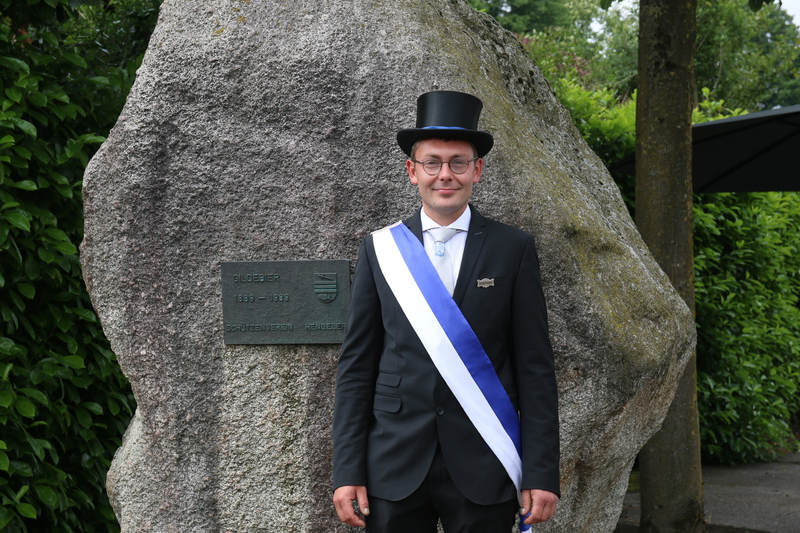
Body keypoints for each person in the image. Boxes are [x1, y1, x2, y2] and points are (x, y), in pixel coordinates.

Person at [332, 91, 559, 532]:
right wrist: (347, 470)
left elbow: (535, 368)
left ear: (477, 170)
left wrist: (541, 471)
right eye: (432, 162)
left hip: (485, 459)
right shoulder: (380, 249)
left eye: (458, 162)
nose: (445, 175)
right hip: (393, 463)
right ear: (411, 171)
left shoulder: (513, 248)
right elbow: (357, 366)